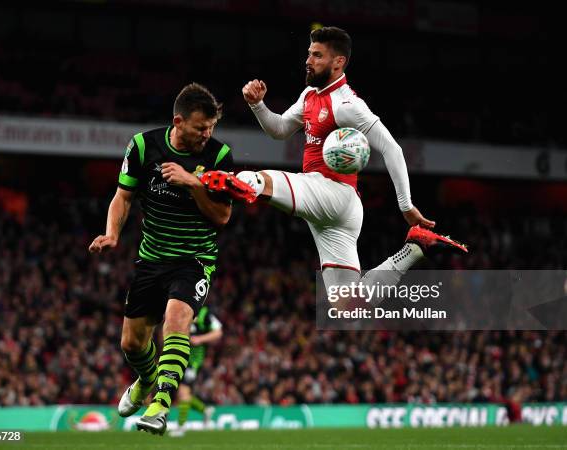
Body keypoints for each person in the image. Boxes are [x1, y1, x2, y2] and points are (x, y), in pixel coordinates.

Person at [205, 26, 466, 303]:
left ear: (338, 62)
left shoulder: (347, 104)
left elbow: (392, 148)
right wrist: (258, 105)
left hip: (333, 192)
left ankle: (236, 181)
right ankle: (415, 247)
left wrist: (406, 205)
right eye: (309, 54)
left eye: (317, 55)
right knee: (348, 305)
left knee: (261, 181)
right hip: (336, 210)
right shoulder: (309, 95)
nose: (308, 61)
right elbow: (279, 129)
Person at [88, 83, 233, 436]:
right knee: (132, 344)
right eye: (201, 127)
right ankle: (145, 379)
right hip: (152, 259)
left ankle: (160, 405)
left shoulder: (218, 155)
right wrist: (112, 234)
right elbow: (123, 197)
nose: (207, 134)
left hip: (195, 259)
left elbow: (223, 216)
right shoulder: (142, 146)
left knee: (176, 320)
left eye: (211, 127)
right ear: (178, 121)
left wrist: (193, 183)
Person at [170, 305, 223, 437]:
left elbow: (218, 332)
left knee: (183, 392)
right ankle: (205, 410)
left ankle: (181, 427)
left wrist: (200, 339)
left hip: (193, 361)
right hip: (179, 357)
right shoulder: (180, 309)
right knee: (183, 395)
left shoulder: (204, 313)